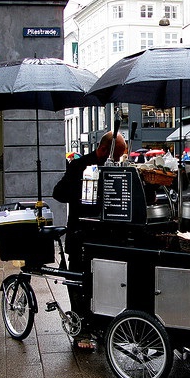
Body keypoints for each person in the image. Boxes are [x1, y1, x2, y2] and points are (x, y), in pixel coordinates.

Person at [52, 131, 127, 348]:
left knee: (103, 284)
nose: (118, 159)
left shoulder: (114, 170)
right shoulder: (79, 166)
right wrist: (80, 189)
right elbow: (59, 193)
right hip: (80, 236)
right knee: (78, 284)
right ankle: (81, 331)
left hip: (104, 238)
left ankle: (101, 326)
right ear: (104, 149)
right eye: (117, 155)